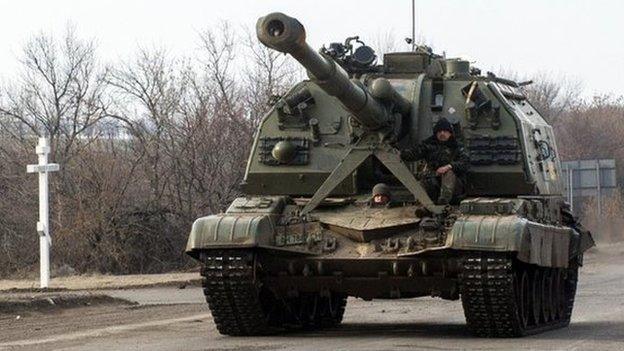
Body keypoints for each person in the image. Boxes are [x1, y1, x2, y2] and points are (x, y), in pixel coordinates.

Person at [400, 118, 470, 205]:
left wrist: (448, 166)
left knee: (449, 172)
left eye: (445, 131)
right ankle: (424, 204)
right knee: (424, 177)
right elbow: (414, 153)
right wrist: (399, 153)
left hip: (454, 187)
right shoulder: (429, 145)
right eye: (439, 131)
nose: (442, 133)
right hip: (434, 184)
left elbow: (465, 163)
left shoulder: (457, 146)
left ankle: (444, 201)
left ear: (450, 133)